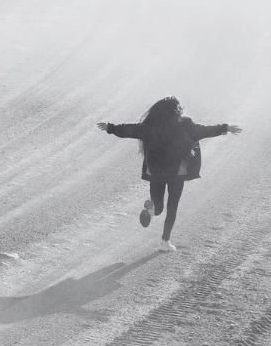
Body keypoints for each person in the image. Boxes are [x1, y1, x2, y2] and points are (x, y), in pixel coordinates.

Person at [97, 97, 241, 247]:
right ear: (177, 110)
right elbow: (204, 130)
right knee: (172, 207)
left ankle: (151, 210)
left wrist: (110, 127)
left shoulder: (150, 126)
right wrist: (225, 128)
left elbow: (129, 130)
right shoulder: (185, 125)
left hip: (155, 171)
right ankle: (165, 241)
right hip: (176, 173)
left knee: (158, 206)